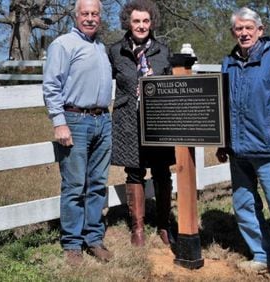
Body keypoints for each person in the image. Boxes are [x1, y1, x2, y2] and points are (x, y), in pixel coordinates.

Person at [216, 7, 270, 282]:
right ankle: (260, 255)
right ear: (234, 32)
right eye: (239, 29)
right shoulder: (228, 62)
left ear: (260, 30)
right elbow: (221, 104)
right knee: (244, 205)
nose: (243, 33)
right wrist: (222, 140)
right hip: (238, 150)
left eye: (248, 28)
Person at [43, 0, 113, 266]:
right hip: (75, 120)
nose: (90, 18)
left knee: (97, 184)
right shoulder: (63, 45)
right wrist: (59, 122)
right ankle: (72, 244)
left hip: (102, 120)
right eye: (85, 13)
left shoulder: (100, 47)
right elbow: (51, 85)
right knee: (74, 185)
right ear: (76, 16)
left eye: (95, 14)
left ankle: (93, 238)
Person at [108, 0, 175, 247]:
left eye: (145, 21)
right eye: (136, 21)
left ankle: (164, 225)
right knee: (134, 171)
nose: (141, 25)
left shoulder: (163, 51)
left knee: (161, 171)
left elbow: (173, 85)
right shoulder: (115, 51)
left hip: (157, 121)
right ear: (128, 22)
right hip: (128, 120)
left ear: (152, 23)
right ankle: (137, 228)